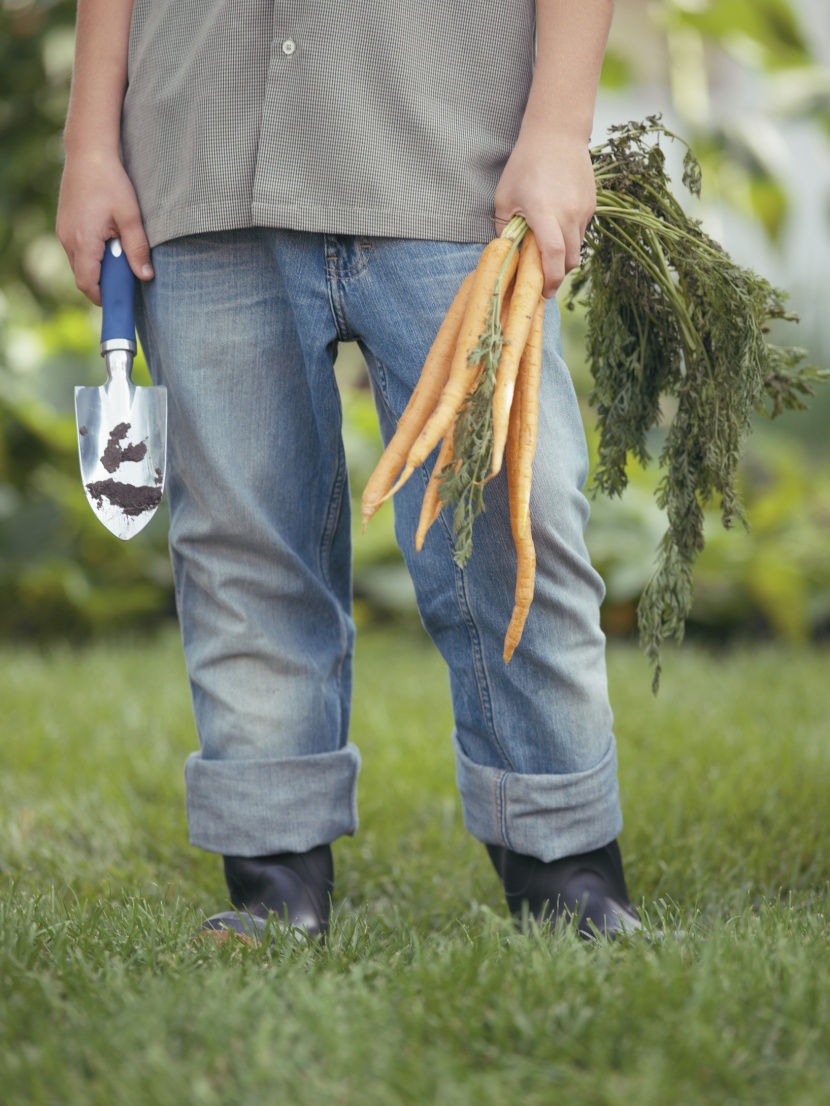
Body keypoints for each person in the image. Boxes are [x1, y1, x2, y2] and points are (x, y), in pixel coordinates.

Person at [57, 0, 640, 941]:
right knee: (242, 543)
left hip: (451, 163)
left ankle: (564, 862)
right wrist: (91, 144)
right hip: (201, 160)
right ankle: (272, 872)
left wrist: (559, 129)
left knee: (508, 523)